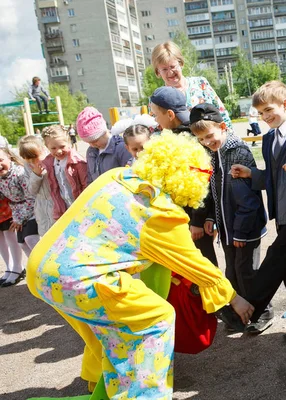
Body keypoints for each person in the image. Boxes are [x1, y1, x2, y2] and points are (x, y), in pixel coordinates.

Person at [26, 131, 254, 399]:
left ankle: (101, 386)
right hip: (80, 279)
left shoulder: (116, 177)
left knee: (113, 332)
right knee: (155, 319)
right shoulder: (161, 213)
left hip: (42, 270)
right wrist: (234, 298)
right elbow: (195, 264)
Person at [230, 81, 286, 341]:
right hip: (281, 212)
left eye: (269, 109)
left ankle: (250, 306)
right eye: (260, 113)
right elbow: (271, 178)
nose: (265, 116)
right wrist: (251, 174)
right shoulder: (269, 137)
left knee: (276, 256)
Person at [189, 103, 272, 333]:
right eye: (202, 140)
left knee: (248, 272)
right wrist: (212, 219)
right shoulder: (213, 153)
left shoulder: (238, 152)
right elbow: (217, 192)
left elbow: (247, 200)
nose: (207, 142)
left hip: (244, 229)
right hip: (227, 227)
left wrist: (242, 231)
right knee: (233, 272)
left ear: (223, 127)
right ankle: (243, 313)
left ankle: (263, 311)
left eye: (209, 136)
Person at [149, 86, 219, 267]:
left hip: (195, 218)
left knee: (203, 264)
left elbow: (203, 182)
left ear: (170, 114)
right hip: (182, 216)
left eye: (155, 115)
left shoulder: (192, 137)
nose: (155, 120)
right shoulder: (174, 134)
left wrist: (198, 221)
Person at [151, 41, 233, 131]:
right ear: (158, 71)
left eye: (173, 66)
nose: (170, 72)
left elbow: (222, 113)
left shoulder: (201, 83)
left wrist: (229, 137)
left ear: (181, 63)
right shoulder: (157, 98)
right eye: (164, 69)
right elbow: (155, 128)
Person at [41, 125, 87, 221]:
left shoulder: (77, 162)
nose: (58, 151)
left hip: (81, 208)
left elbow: (85, 185)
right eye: (53, 148)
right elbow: (55, 189)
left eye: (62, 146)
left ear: (69, 143)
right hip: (64, 209)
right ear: (47, 147)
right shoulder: (50, 163)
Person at [0, 146, 39, 261]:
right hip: (18, 213)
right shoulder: (1, 178)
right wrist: (17, 217)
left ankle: (47, 264)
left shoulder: (19, 173)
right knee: (22, 243)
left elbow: (31, 198)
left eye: (0, 160)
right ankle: (36, 268)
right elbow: (9, 199)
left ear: (9, 157)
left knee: (30, 239)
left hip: (32, 211)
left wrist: (20, 218)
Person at [76, 107, 130, 184]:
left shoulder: (121, 148)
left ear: (104, 132)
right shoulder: (91, 152)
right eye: (88, 142)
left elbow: (129, 177)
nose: (92, 145)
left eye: (95, 141)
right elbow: (90, 177)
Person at [17, 135, 54, 236]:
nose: (32, 162)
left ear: (42, 150)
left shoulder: (51, 160)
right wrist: (36, 175)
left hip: (55, 204)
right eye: (28, 159)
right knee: (47, 237)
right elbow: (31, 190)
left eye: (34, 157)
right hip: (41, 207)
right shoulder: (28, 166)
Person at [0, 198, 22, 287]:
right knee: (1, 238)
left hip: (5, 206)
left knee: (9, 234)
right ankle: (9, 267)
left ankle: (17, 267)